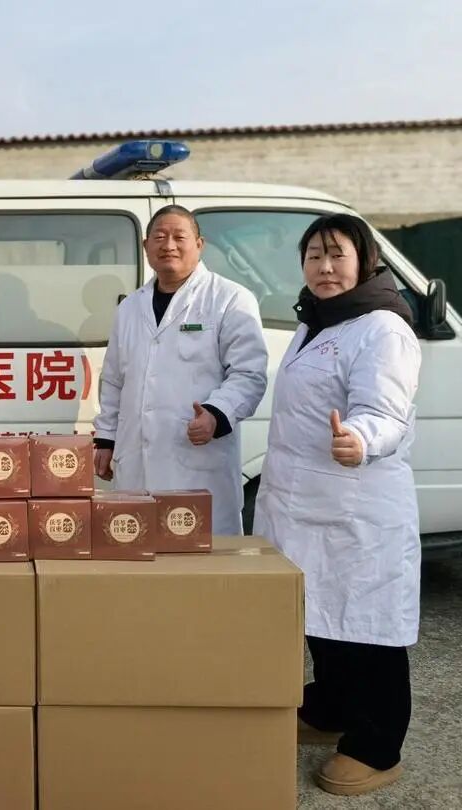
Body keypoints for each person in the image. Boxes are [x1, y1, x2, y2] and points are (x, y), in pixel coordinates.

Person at [253, 214, 420, 796]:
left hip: (356, 506)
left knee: (367, 624)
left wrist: (361, 439)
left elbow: (385, 410)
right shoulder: (316, 322)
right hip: (305, 504)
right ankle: (331, 708)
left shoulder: (382, 328)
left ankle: (378, 744)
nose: (325, 267)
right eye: (314, 256)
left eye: (337, 254)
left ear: (365, 260)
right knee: (322, 616)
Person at [93, 205, 268, 534]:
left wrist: (216, 413)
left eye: (179, 237)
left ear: (199, 244)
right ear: (146, 246)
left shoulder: (229, 299)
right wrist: (106, 439)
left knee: (201, 553)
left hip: (197, 464)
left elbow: (248, 374)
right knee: (140, 548)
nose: (168, 245)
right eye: (159, 237)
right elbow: (114, 380)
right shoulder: (130, 308)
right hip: (137, 465)